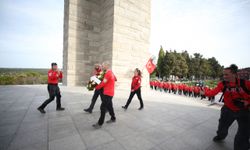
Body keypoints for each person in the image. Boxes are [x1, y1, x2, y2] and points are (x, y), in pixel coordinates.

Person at [201, 64, 250, 150]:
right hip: (228, 110)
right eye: (223, 74)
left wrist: (247, 102)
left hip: (244, 111)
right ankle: (220, 136)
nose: (224, 76)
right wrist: (204, 93)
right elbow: (213, 92)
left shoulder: (245, 83)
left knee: (243, 134)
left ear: (234, 74)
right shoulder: (223, 84)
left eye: (226, 74)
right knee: (222, 127)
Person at [92, 61, 117, 129]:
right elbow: (115, 79)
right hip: (110, 93)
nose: (102, 67)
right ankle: (113, 118)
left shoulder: (108, 73)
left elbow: (103, 83)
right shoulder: (110, 72)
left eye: (103, 65)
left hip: (108, 93)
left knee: (102, 107)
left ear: (107, 66)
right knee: (109, 106)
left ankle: (100, 123)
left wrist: (96, 87)